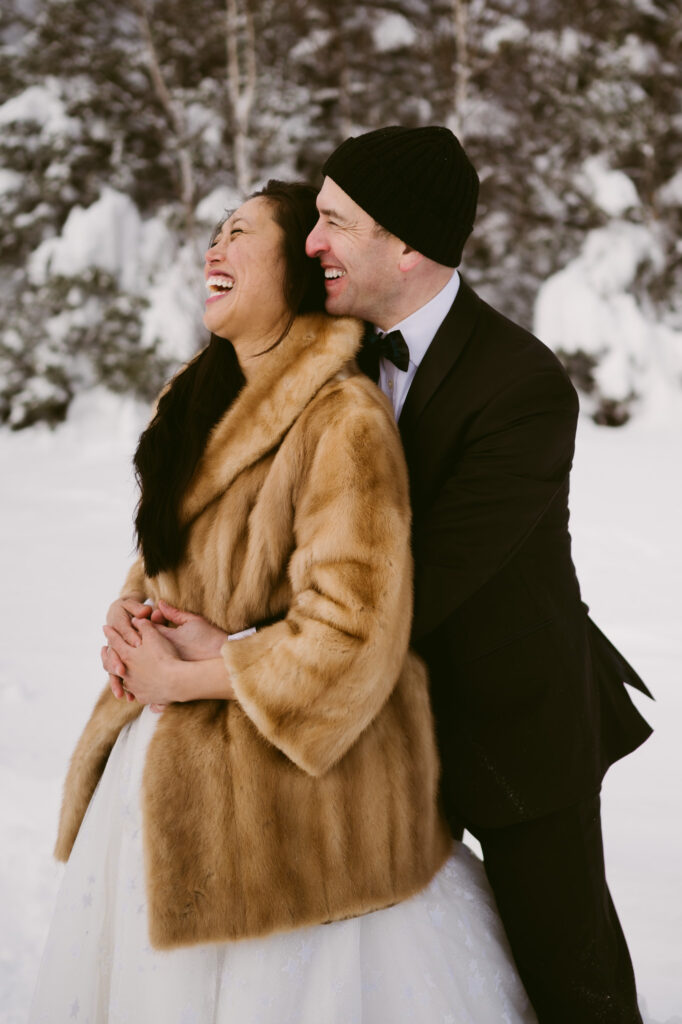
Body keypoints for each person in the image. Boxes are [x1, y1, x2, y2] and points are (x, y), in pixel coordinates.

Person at [29, 180, 538, 1023]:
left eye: (239, 234)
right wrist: (132, 619)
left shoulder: (344, 418)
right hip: (158, 768)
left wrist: (190, 678)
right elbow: (169, 557)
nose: (213, 251)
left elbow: (353, 635)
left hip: (293, 797)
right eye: (213, 233)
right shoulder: (190, 397)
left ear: (295, 271)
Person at [304, 125, 653, 1024]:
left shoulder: (522, 385)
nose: (313, 243)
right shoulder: (324, 347)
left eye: (335, 221)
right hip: (381, 718)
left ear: (408, 243)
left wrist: (236, 660)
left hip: (515, 725)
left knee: (568, 975)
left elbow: (419, 576)